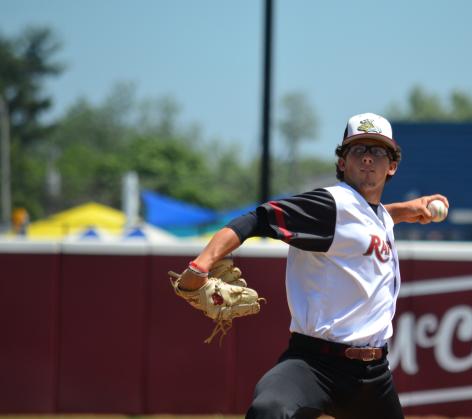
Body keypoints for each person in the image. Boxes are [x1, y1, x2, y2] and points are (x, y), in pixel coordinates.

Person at [176, 112, 449, 419]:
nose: (368, 158)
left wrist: (401, 211)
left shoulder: (376, 215)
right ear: (342, 163)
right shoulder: (331, 204)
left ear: (393, 165)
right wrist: (201, 266)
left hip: (373, 375)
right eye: (358, 150)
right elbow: (257, 219)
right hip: (315, 364)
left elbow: (360, 223)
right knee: (269, 411)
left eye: (378, 151)